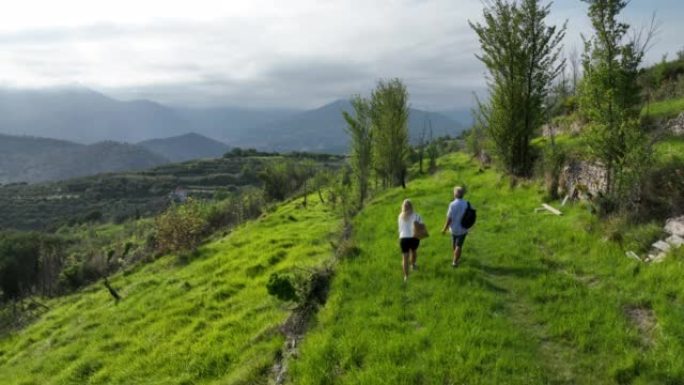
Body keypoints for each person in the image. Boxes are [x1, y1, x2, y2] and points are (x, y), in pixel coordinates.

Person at [441, 186, 470, 267]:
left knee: (455, 244)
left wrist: (444, 229)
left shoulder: (452, 204)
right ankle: (455, 260)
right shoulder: (467, 203)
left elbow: (449, 218)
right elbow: (471, 215)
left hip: (453, 228)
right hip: (463, 228)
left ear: (455, 194)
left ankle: (455, 260)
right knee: (459, 245)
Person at [398, 199, 423, 283]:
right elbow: (421, 227)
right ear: (411, 206)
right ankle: (413, 264)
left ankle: (406, 276)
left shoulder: (400, 216)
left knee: (405, 258)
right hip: (414, 237)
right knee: (414, 251)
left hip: (403, 238)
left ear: (403, 207)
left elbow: (400, 229)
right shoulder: (417, 215)